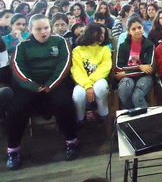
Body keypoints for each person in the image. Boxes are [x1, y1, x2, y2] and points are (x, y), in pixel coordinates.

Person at [7, 14, 78, 170]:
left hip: (55, 83)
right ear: (30, 30)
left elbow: (64, 65)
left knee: (64, 104)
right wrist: (32, 86)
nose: (43, 32)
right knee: (16, 109)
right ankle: (13, 151)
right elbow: (18, 69)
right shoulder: (23, 47)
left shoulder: (61, 42)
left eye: (46, 28)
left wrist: (50, 85)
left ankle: (71, 142)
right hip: (30, 85)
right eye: (38, 29)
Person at [71, 23, 112, 125]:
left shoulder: (105, 49)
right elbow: (77, 70)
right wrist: (87, 85)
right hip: (82, 82)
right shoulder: (77, 50)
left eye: (103, 33)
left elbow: (105, 68)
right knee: (78, 95)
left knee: (101, 87)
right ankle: (80, 119)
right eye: (99, 33)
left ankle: (103, 115)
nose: (101, 36)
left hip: (99, 80)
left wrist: (90, 83)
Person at [115, 16, 155, 109]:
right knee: (125, 89)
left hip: (144, 77)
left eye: (139, 28)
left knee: (137, 96)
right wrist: (140, 67)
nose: (137, 31)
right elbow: (118, 68)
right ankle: (131, 113)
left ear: (143, 28)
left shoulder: (149, 44)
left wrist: (126, 72)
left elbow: (148, 68)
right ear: (129, 31)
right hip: (128, 77)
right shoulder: (123, 46)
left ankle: (144, 118)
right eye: (133, 29)